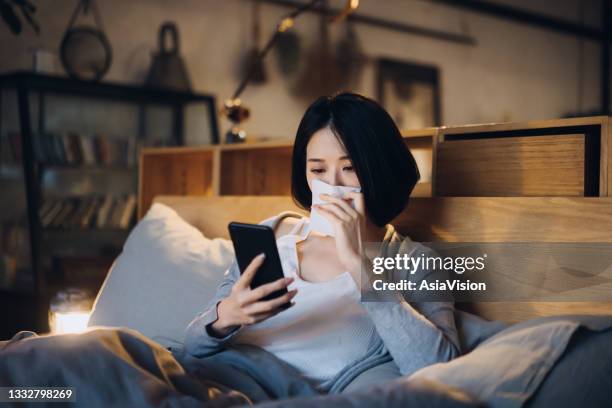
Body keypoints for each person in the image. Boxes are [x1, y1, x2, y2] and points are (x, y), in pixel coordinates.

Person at [184, 92, 460, 394]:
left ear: (378, 169)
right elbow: (192, 344)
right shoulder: (274, 234)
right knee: (124, 348)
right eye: (317, 170)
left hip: (264, 396)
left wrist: (360, 267)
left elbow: (439, 371)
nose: (332, 185)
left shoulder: (416, 263)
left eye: (350, 168)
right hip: (209, 375)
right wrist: (226, 316)